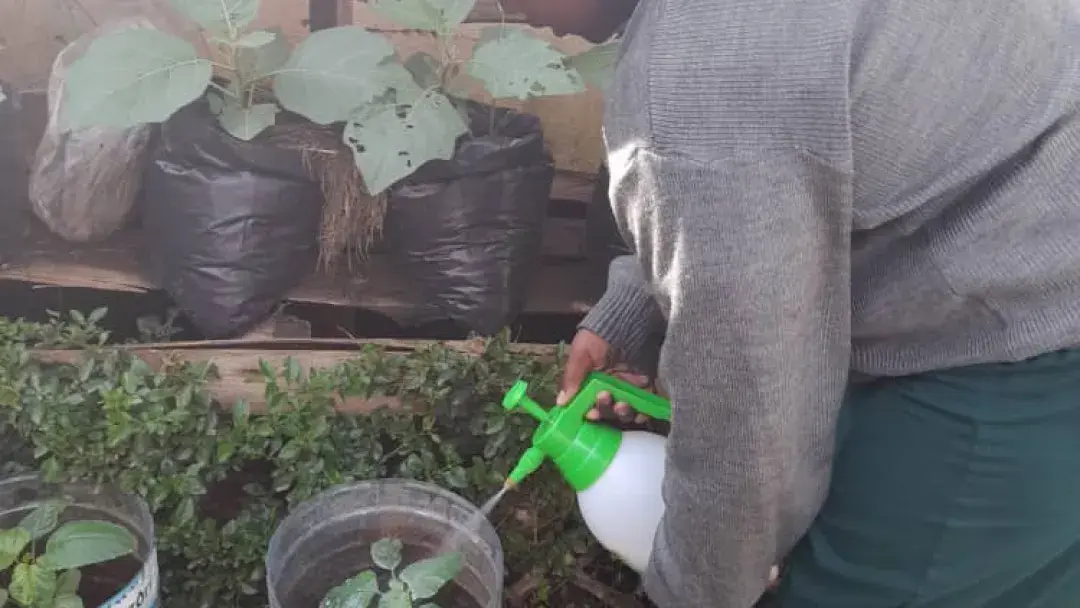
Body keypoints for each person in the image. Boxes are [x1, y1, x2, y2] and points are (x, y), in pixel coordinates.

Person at [504, 0, 1080, 606]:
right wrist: (638, 300)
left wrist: (694, 589)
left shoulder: (702, 69)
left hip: (1029, 354)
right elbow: (781, 149)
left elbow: (751, 417)